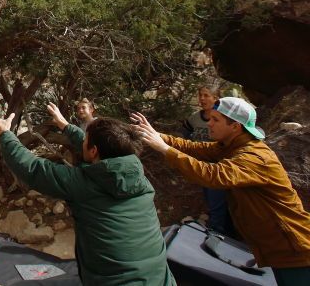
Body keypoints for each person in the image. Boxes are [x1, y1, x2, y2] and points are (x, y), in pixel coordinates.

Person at [0, 103, 175, 285]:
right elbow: (95, 148)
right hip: (160, 279)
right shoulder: (139, 179)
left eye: (86, 139)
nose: (82, 140)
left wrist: (5, 134)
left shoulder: (83, 185)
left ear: (93, 151)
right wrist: (66, 126)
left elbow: (33, 168)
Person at [133, 98, 310, 285]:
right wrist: (156, 135)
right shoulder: (232, 146)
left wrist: (164, 148)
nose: (209, 122)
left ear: (235, 126)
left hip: (294, 248)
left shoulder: (254, 157)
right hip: (280, 248)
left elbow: (212, 175)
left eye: (216, 120)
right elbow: (194, 148)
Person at [182, 85, 235, 235]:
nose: (202, 99)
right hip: (201, 164)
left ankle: (218, 231)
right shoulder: (194, 118)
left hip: (218, 167)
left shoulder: (223, 119)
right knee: (209, 197)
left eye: (206, 95)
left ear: (216, 98)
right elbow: (185, 134)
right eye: (200, 95)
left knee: (217, 199)